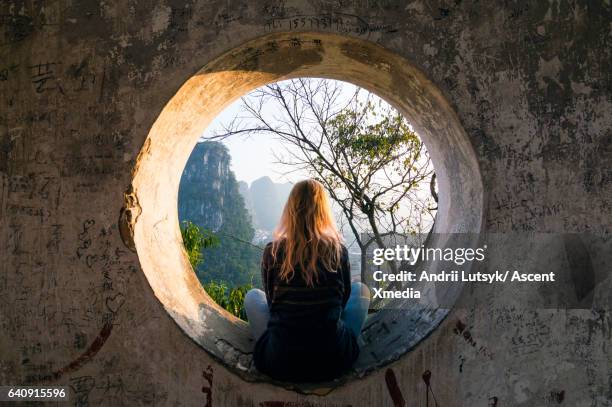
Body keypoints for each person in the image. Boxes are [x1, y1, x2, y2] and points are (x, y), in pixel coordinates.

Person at [244, 179, 370, 382]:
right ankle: (346, 340)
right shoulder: (338, 251)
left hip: (279, 361)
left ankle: (280, 342)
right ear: (323, 211)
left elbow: (271, 302)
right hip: (334, 360)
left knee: (252, 297)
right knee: (361, 290)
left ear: (290, 209)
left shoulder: (273, 251)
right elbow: (344, 300)